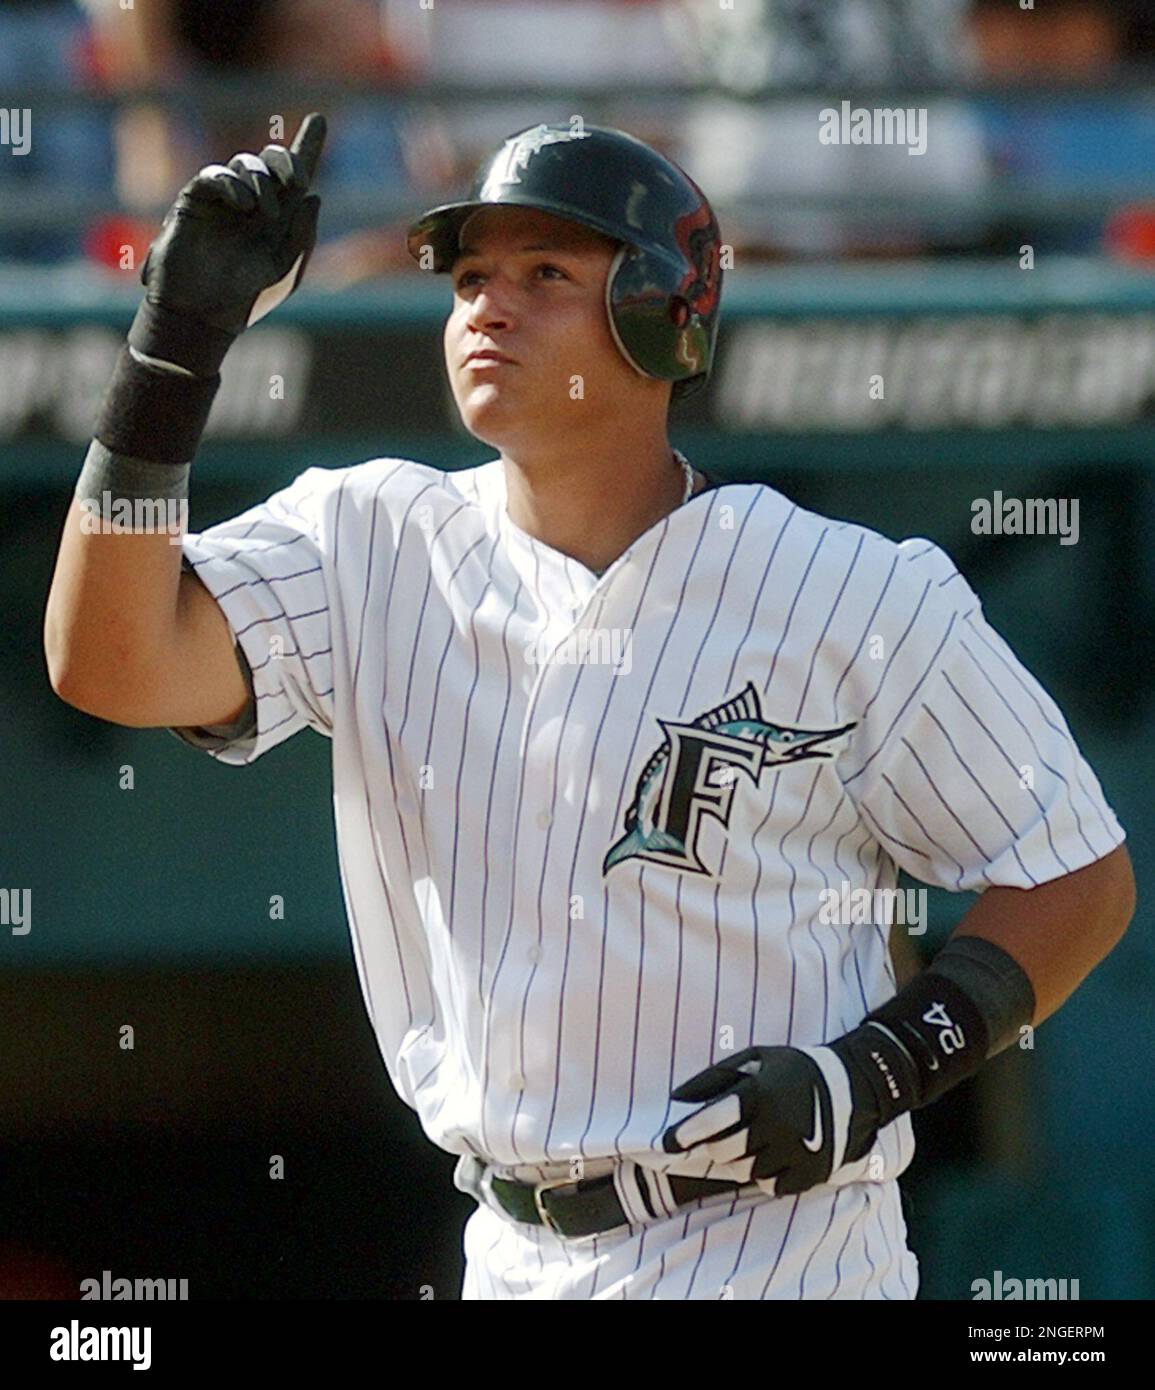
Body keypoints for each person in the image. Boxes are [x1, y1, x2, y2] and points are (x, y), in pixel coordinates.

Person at [44, 117, 1135, 1300]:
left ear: (663, 314)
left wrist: (869, 1072)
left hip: (781, 1249)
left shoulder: (854, 588)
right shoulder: (365, 538)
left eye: (545, 275)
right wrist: (174, 349)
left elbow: (1074, 872)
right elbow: (111, 662)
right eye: (468, 279)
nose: (487, 308)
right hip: (510, 1249)